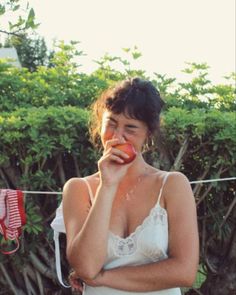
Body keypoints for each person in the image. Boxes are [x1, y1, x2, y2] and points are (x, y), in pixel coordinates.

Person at [62, 77, 199, 294]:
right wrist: (107, 186)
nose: (118, 136)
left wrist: (104, 277)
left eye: (131, 128)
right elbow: (87, 266)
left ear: (148, 134)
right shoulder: (78, 189)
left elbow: (184, 272)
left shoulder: (172, 185)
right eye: (112, 123)